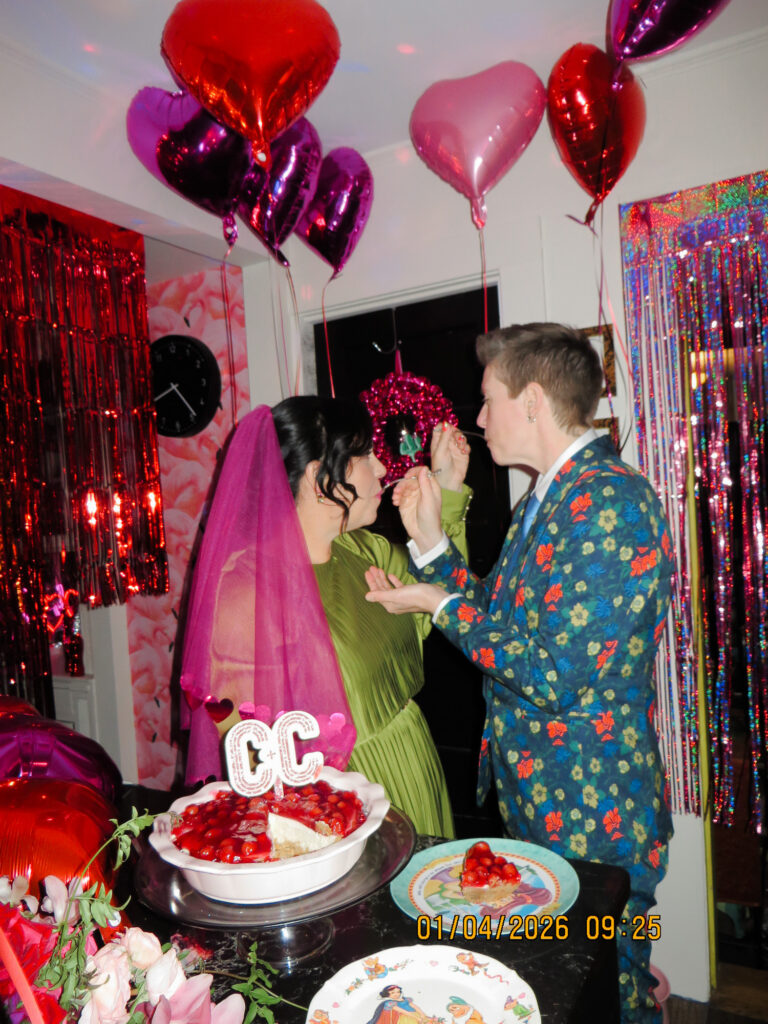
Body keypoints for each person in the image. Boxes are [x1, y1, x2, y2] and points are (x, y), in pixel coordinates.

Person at [365, 323, 675, 1024]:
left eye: (487, 400)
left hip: (598, 809)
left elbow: (552, 674)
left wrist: (436, 602)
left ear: (532, 400)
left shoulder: (610, 503)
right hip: (544, 795)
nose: (477, 419)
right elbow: (499, 624)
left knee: (613, 977)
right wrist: (430, 543)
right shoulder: (549, 499)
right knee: (564, 978)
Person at [180, 396, 471, 839]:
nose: (381, 470)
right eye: (365, 456)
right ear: (320, 479)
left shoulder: (365, 551)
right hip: (341, 806)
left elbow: (441, 609)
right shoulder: (246, 593)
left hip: (414, 767)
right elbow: (240, 739)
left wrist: (446, 494)